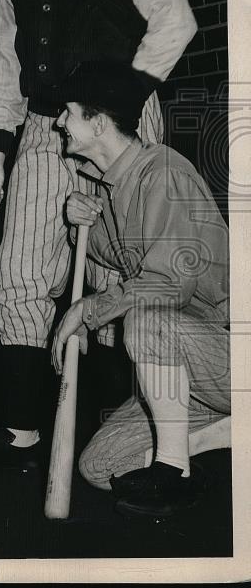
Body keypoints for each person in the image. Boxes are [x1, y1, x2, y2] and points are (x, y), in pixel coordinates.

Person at [0, 0, 197, 467]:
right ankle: (21, 437)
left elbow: (173, 20)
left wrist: (118, 110)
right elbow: (2, 71)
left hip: (120, 122)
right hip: (46, 126)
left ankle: (126, 437)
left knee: (122, 271)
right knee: (18, 273)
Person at [50, 61, 230, 518]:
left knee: (146, 319)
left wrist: (88, 310)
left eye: (67, 112)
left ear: (98, 121)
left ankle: (175, 474)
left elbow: (167, 284)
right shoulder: (113, 185)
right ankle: (218, 437)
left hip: (229, 350)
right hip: (191, 373)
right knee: (100, 466)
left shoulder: (164, 173)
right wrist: (78, 224)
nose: (58, 122)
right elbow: (114, 256)